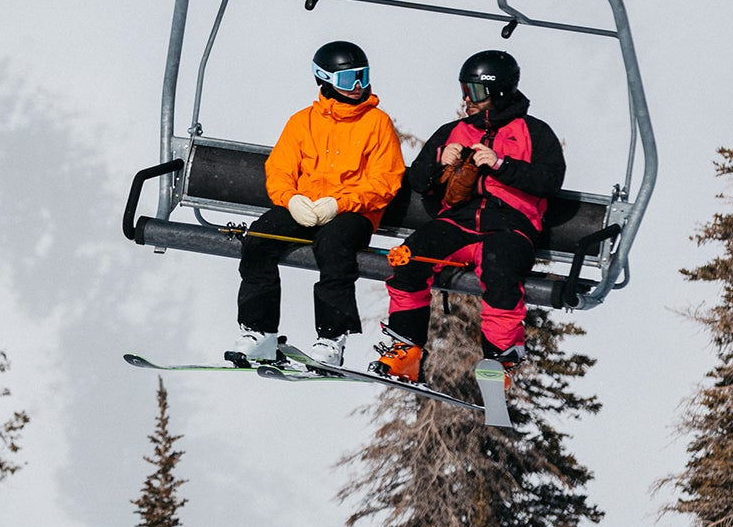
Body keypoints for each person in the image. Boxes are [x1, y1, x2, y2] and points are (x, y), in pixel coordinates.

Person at [375, 49, 565, 386]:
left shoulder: (534, 133)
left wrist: (501, 166)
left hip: (510, 226)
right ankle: (406, 349)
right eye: (464, 90)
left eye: (475, 92)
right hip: (457, 224)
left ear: (500, 91)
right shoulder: (454, 131)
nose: (467, 101)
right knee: (408, 259)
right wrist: (438, 164)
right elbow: (418, 180)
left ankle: (501, 359)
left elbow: (549, 181)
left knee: (501, 272)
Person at [237, 40, 406, 368]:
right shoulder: (303, 122)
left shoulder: (376, 123)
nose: (357, 87)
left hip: (354, 212)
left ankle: (332, 336)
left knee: (332, 246)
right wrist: (292, 199)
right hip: (304, 207)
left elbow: (385, 181)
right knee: (259, 239)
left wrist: (341, 203)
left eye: (362, 76)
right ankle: (259, 331)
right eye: (347, 80)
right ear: (324, 79)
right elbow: (280, 169)